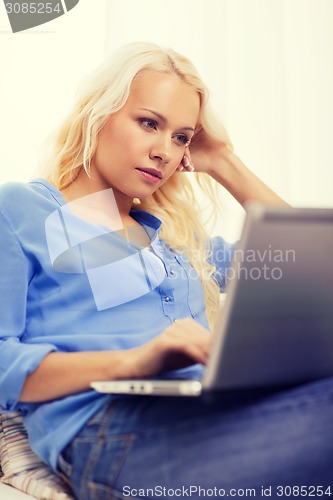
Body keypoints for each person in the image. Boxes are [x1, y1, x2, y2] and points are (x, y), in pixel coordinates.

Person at [0, 42, 332, 499]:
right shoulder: (22, 210)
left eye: (181, 138)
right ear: (98, 115)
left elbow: (309, 264)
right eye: (149, 123)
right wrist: (132, 363)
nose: (164, 151)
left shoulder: (178, 241)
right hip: (111, 435)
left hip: (207, 414)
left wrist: (223, 162)